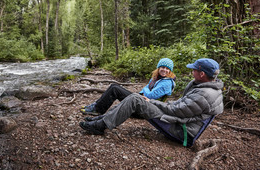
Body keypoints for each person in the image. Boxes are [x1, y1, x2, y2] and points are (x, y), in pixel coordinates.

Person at [79, 58, 224, 146]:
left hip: (180, 129)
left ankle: (100, 125)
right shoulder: (204, 88)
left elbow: (176, 110)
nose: (192, 72)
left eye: (194, 70)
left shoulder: (205, 94)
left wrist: (153, 102)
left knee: (136, 99)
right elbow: (180, 106)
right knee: (135, 97)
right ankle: (101, 119)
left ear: (202, 74)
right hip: (177, 119)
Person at [80, 58, 176, 116]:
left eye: (167, 69)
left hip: (148, 109)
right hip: (141, 100)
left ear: (170, 71)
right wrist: (145, 90)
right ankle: (96, 105)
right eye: (162, 67)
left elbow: (150, 95)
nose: (164, 70)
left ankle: (97, 110)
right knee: (114, 86)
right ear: (158, 68)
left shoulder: (166, 83)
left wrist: (145, 89)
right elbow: (145, 89)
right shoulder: (157, 78)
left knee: (115, 89)